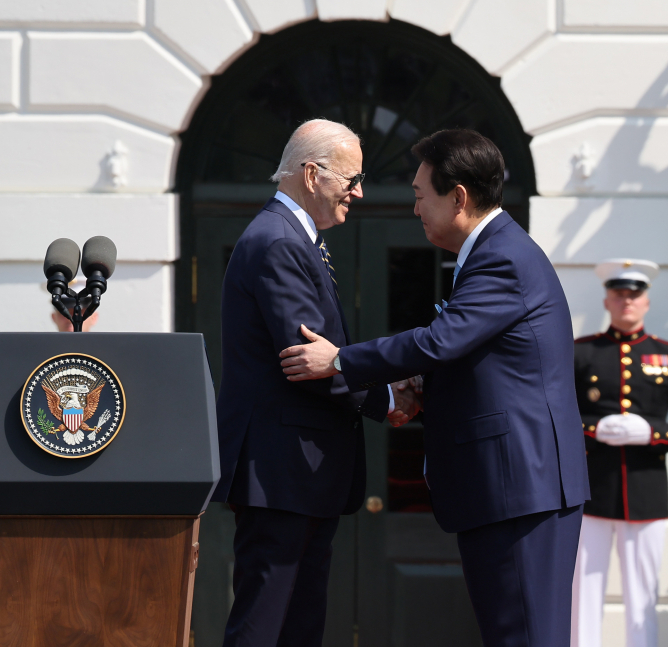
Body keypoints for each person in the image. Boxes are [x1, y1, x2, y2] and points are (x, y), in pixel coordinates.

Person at [279, 128, 588, 647]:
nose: (415, 209)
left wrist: (338, 360)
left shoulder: (503, 258)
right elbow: (476, 353)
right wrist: (422, 383)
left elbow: (442, 339)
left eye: (421, 196)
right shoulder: (491, 253)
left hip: (522, 489)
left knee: (527, 636)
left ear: (459, 197)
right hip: (510, 488)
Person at [212, 119, 420, 647]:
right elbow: (308, 362)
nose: (359, 191)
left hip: (297, 473)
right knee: (266, 625)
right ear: (311, 173)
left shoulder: (294, 238)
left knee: (297, 625)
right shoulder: (279, 241)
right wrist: (389, 397)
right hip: (282, 472)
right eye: (351, 179)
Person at [571, 259, 668, 647]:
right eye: (619, 294)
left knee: (643, 597)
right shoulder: (582, 353)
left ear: (647, 301)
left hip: (645, 492)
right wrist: (595, 429)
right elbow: (555, 418)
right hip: (590, 488)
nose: (626, 301)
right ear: (606, 300)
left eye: (634, 294)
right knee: (583, 592)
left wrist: (652, 432)